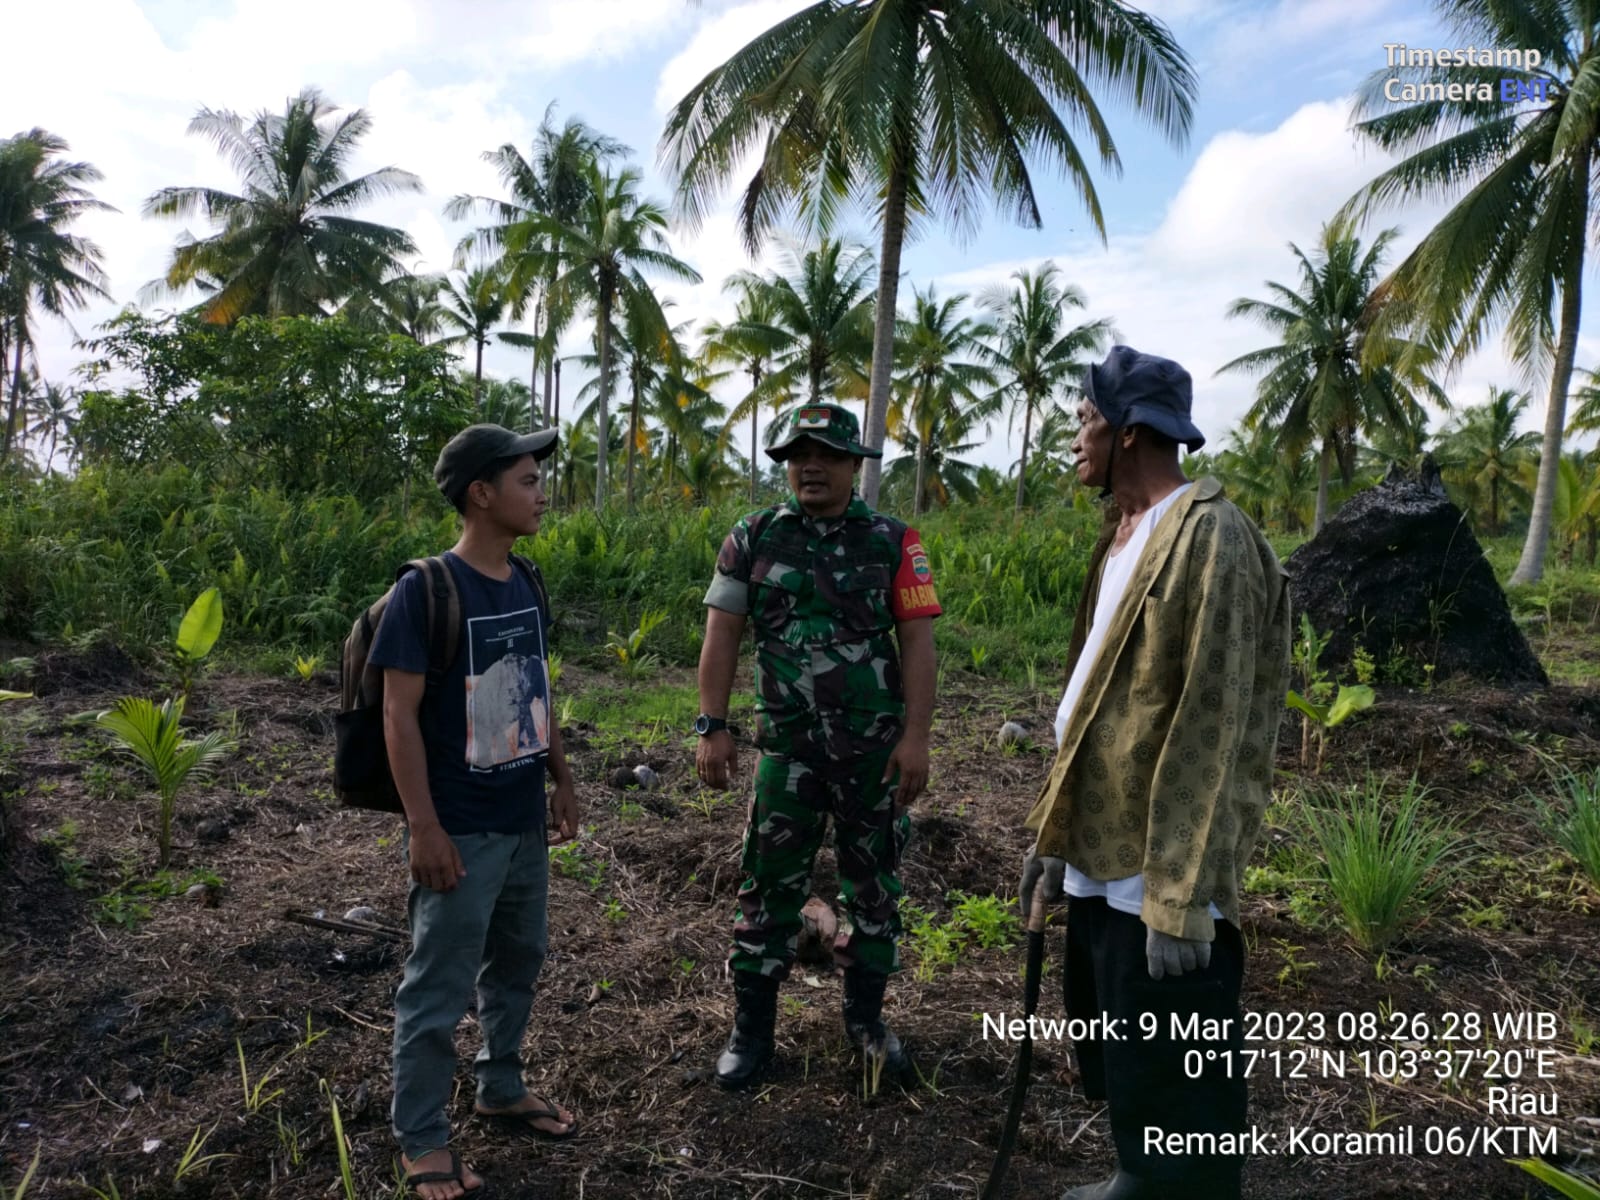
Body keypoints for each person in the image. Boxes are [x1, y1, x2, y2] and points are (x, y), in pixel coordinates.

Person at [1019, 348, 1291, 1200]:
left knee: (1176, 1049)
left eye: (1084, 419)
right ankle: (1138, 1175)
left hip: (1160, 864)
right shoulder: (1127, 532)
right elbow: (1094, 697)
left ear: (1127, 431)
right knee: (1126, 1039)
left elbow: (1220, 724)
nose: (1074, 437)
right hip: (1106, 844)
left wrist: (1180, 890)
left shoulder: (1211, 535)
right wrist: (1052, 840)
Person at [695, 402, 941, 1090]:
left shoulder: (894, 541)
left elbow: (918, 642)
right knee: (766, 890)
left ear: (854, 466)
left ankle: (866, 1025)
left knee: (873, 890)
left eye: (829, 454)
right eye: (799, 453)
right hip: (788, 753)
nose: (812, 465)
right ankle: (751, 1035)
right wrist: (711, 726)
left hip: (873, 757)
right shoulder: (754, 536)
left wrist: (917, 738)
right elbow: (722, 634)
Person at [369, 424, 581, 1200]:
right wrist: (424, 826)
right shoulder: (424, 592)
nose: (541, 493)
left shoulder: (525, 582)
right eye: (528, 481)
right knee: (438, 985)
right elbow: (399, 718)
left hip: (522, 819)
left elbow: (534, 688)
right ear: (481, 495)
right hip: (459, 826)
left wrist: (561, 778)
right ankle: (421, 1135)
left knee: (519, 962)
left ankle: (501, 1083)